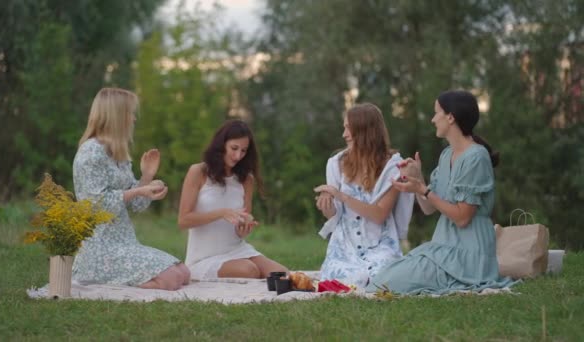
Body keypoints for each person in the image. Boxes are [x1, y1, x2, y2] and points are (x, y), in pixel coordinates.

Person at [366, 90, 517, 295]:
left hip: (469, 254)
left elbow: (463, 218)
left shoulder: (476, 157)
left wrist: (424, 190)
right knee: (381, 280)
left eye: (437, 112)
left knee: (386, 285)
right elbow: (429, 208)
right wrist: (418, 179)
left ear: (450, 117)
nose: (433, 119)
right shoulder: (447, 155)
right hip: (444, 247)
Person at [72, 87, 190, 291]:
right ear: (115, 116)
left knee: (184, 273)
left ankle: (125, 281)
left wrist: (147, 177)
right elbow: (95, 206)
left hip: (124, 244)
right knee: (171, 279)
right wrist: (139, 190)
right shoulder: (91, 153)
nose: (133, 119)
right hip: (99, 249)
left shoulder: (117, 154)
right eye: (129, 113)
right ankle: (106, 282)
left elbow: (135, 205)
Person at [314, 103, 414, 288]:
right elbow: (335, 217)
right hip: (345, 245)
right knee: (347, 278)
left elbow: (379, 214)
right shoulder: (336, 164)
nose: (344, 135)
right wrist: (328, 207)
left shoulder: (393, 167)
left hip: (380, 244)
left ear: (365, 132)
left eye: (348, 128)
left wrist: (342, 196)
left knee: (381, 278)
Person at [178, 119, 288, 279]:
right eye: (234, 148)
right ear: (222, 144)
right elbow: (183, 220)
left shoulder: (246, 179)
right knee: (249, 270)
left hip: (238, 250)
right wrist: (221, 213)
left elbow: (242, 222)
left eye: (243, 151)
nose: (238, 156)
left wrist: (244, 226)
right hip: (204, 257)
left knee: (284, 275)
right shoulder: (198, 172)